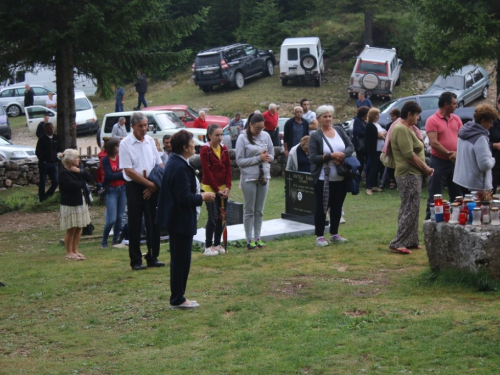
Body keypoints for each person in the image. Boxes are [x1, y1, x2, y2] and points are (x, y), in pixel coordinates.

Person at [156, 130, 216, 309]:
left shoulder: (177, 162)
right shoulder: (179, 166)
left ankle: (179, 296)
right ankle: (178, 299)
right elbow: (184, 198)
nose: (195, 145)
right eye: (192, 142)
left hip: (178, 219)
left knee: (181, 259)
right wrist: (203, 197)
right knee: (181, 260)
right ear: (184, 146)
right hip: (179, 220)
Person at [119, 112, 164, 271]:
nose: (144, 129)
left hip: (152, 183)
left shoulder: (150, 141)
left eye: (145, 125)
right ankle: (136, 260)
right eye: (140, 126)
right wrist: (148, 185)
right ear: (132, 127)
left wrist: (153, 185)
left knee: (154, 222)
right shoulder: (125, 144)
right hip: (135, 186)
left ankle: (153, 256)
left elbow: (159, 164)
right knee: (135, 223)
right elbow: (129, 171)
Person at [388, 101, 433, 254]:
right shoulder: (401, 128)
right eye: (417, 115)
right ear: (409, 114)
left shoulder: (408, 128)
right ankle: (398, 242)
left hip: (414, 174)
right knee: (409, 208)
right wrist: (426, 168)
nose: (418, 118)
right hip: (407, 173)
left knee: (413, 207)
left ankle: (411, 240)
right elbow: (409, 155)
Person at [309, 105, 353, 247]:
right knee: (322, 207)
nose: (328, 119)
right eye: (325, 117)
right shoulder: (315, 136)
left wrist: (341, 156)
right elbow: (313, 157)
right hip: (323, 178)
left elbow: (350, 146)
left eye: (329, 116)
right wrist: (330, 156)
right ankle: (320, 236)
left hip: (340, 176)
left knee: (337, 206)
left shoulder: (339, 130)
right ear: (319, 119)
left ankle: (334, 234)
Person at [235, 113, 274, 250]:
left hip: (264, 176)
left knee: (260, 210)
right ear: (250, 125)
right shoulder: (242, 138)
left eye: (262, 128)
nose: (260, 131)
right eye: (257, 128)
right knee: (249, 210)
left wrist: (268, 158)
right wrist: (259, 158)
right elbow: (239, 161)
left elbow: (272, 154)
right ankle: (249, 239)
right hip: (249, 178)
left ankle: (258, 238)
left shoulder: (266, 136)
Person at [424, 92, 462, 220]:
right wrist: (448, 153)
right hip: (439, 161)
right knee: (436, 192)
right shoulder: (432, 120)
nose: (456, 106)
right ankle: (432, 218)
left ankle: (456, 217)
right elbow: (434, 142)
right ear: (446, 104)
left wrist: (456, 153)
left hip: (455, 161)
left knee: (457, 193)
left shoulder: (456, 119)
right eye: (454, 103)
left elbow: (462, 138)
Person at [200, 124, 232, 256]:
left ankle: (218, 243)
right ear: (210, 136)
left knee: (221, 217)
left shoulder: (224, 148)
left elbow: (229, 168)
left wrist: (228, 187)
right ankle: (208, 246)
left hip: (223, 188)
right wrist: (216, 189)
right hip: (210, 189)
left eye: (221, 135)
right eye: (217, 135)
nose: (220, 138)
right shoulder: (205, 150)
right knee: (212, 216)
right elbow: (207, 171)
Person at [453, 104, 497, 193]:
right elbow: (484, 165)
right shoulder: (480, 138)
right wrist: (492, 159)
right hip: (476, 185)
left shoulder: (465, 131)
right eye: (490, 122)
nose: (491, 125)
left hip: (461, 180)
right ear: (483, 121)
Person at [58, 149, 93, 260]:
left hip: (80, 202)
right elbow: (73, 185)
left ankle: (75, 250)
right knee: (71, 228)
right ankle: (69, 252)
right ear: (70, 160)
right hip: (70, 204)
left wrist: (80, 172)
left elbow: (90, 179)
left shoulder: (76, 170)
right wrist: (82, 183)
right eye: (77, 158)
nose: (79, 159)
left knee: (78, 227)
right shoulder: (63, 173)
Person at [100, 138, 126, 249]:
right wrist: (123, 174)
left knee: (120, 217)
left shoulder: (121, 158)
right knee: (112, 219)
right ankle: (104, 240)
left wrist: (123, 174)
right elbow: (109, 176)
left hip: (122, 189)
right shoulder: (106, 160)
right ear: (112, 147)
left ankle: (115, 240)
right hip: (112, 190)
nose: (118, 148)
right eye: (117, 146)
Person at [35, 122, 61, 202]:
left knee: (56, 181)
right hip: (44, 164)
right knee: (43, 181)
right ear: (45, 129)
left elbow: (59, 150)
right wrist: (43, 160)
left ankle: (47, 196)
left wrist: (57, 158)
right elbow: (38, 151)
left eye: (52, 128)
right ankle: (41, 198)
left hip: (53, 164)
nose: (51, 130)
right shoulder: (42, 139)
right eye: (49, 128)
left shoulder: (56, 138)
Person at [365, 108, 387, 195]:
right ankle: (368, 187)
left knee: (377, 168)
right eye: (377, 115)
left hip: (379, 150)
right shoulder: (370, 125)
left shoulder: (377, 124)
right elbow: (379, 135)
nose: (378, 116)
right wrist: (382, 135)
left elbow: (384, 132)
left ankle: (374, 185)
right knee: (373, 168)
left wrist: (382, 134)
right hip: (374, 150)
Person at [380, 108, 400, 189]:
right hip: (390, 148)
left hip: (398, 149)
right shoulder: (388, 125)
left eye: (393, 116)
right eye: (391, 116)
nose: (392, 118)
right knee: (389, 165)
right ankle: (390, 181)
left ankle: (397, 181)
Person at [353, 106, 370, 175]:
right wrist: (367, 132)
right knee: (360, 161)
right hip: (360, 145)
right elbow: (357, 132)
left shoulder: (364, 121)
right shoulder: (357, 121)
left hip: (365, 145)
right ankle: (358, 175)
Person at [489, 95, 500, 193]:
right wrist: (495, 145)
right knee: (491, 192)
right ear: (498, 104)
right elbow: (482, 141)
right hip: (494, 164)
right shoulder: (492, 123)